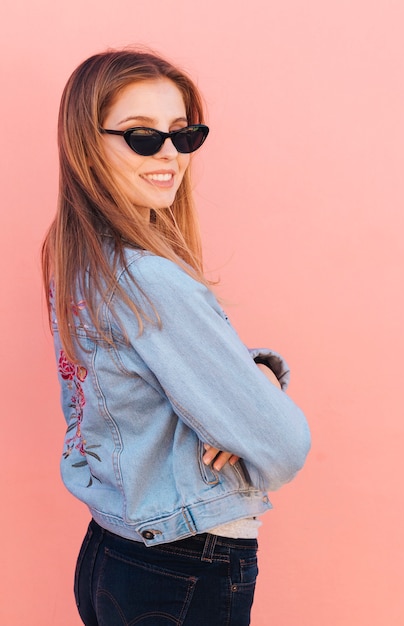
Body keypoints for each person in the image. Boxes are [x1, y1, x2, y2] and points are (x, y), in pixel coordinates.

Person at [42, 48, 311, 626]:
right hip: (184, 567)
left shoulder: (78, 261)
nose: (169, 153)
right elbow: (285, 447)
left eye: (183, 134)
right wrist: (257, 400)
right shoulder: (151, 279)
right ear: (89, 144)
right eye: (142, 136)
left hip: (112, 553)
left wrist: (254, 377)